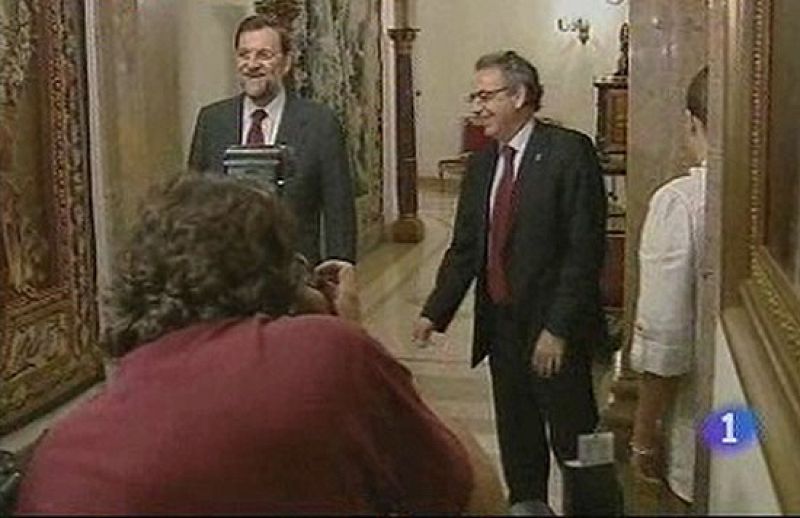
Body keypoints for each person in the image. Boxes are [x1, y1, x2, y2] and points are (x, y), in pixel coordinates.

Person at [14, 174, 504, 515]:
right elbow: (477, 500)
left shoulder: (58, 458)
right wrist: (357, 341)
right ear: (283, 279)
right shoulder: (326, 356)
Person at [413, 50, 613, 512]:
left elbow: (584, 251)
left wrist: (557, 329)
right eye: (474, 97)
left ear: (519, 96)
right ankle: (527, 506)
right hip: (502, 328)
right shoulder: (483, 164)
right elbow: (466, 248)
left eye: (486, 96)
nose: (477, 107)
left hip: (557, 334)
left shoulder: (568, 152)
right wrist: (434, 311)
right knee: (518, 439)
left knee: (581, 443)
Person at [188, 14, 356, 265]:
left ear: (286, 63)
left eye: (264, 55)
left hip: (294, 271)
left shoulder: (320, 124)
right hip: (224, 273)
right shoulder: (212, 121)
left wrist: (340, 268)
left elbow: (339, 210)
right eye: (244, 55)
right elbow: (193, 203)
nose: (252, 64)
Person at [629, 66, 709, 512]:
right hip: (753, 419)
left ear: (691, 122)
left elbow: (665, 340)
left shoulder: (681, 202)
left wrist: (643, 437)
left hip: (697, 415)